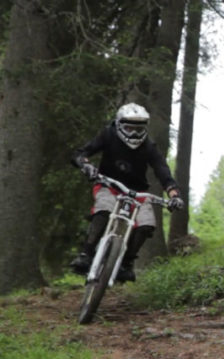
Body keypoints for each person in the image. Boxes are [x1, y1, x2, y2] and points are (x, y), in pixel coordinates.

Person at [70, 103, 184, 282]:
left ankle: (126, 264)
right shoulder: (108, 135)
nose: (134, 134)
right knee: (104, 210)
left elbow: (163, 171)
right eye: (129, 128)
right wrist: (85, 165)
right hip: (108, 184)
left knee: (147, 224)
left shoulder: (149, 146)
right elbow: (81, 152)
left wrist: (174, 194)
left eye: (138, 129)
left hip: (137, 192)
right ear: (119, 125)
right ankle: (86, 254)